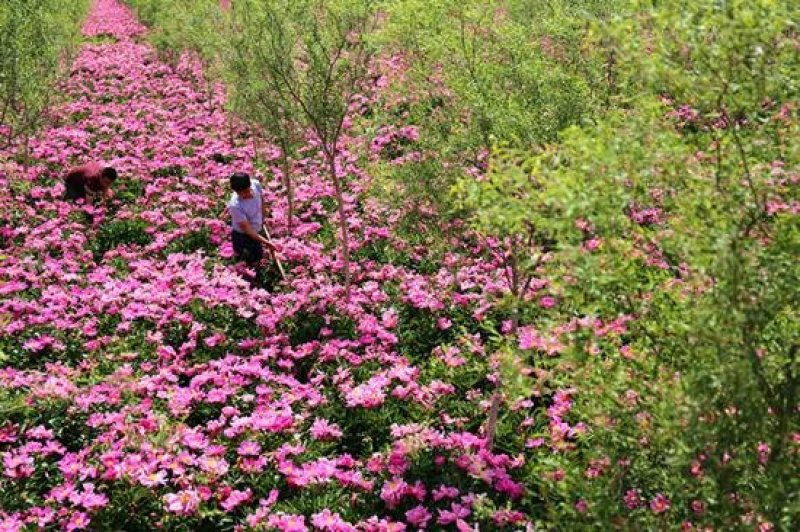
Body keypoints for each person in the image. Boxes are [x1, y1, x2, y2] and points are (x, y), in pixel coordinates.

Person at [228, 172, 273, 284]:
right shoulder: (235, 205)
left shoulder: (255, 184)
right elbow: (247, 230)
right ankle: (245, 281)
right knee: (242, 259)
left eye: (246, 191)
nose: (245, 195)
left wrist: (263, 217)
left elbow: (262, 200)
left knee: (257, 257)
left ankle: (256, 277)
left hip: (256, 229)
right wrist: (267, 243)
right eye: (241, 193)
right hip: (242, 235)